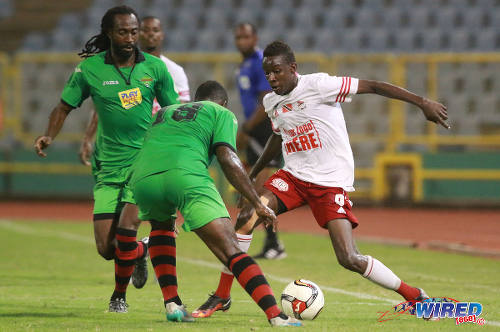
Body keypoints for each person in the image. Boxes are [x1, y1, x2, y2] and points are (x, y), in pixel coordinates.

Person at [193, 41, 450, 319]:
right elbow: (278, 136)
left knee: (348, 258)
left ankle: (415, 296)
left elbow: (374, 86)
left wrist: (422, 102)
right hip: (292, 177)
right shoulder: (271, 101)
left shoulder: (320, 85)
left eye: (277, 71)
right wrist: (252, 176)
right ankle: (222, 294)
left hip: (329, 182)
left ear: (293, 68)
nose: (272, 78)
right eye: (267, 74)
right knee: (245, 217)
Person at [34, 5, 179, 313]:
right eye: (123, 32)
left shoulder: (155, 68)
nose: (130, 37)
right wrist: (49, 135)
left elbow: (172, 114)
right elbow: (63, 107)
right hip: (108, 167)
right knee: (106, 248)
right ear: (109, 34)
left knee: (126, 230)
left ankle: (118, 298)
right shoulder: (90, 70)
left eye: (134, 31)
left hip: (143, 166)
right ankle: (141, 251)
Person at [126, 80, 301, 326]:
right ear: (224, 103)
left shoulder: (166, 111)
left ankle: (173, 305)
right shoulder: (221, 113)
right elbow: (228, 158)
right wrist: (256, 201)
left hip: (143, 178)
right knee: (230, 248)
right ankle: (276, 315)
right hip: (185, 176)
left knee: (161, 229)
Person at [79, 15, 190, 166]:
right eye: (145, 30)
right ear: (137, 34)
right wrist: (88, 138)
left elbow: (180, 112)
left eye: (155, 30)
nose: (150, 34)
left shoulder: (174, 71)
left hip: (160, 145)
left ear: (162, 35)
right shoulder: (121, 69)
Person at [232, 22, 286, 262]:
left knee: (264, 189)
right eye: (238, 37)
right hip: (254, 130)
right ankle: (272, 244)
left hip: (265, 130)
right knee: (256, 189)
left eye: (246, 37)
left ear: (255, 38)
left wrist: (246, 129)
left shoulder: (260, 64)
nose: (241, 41)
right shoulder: (244, 66)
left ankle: (273, 244)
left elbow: (266, 101)